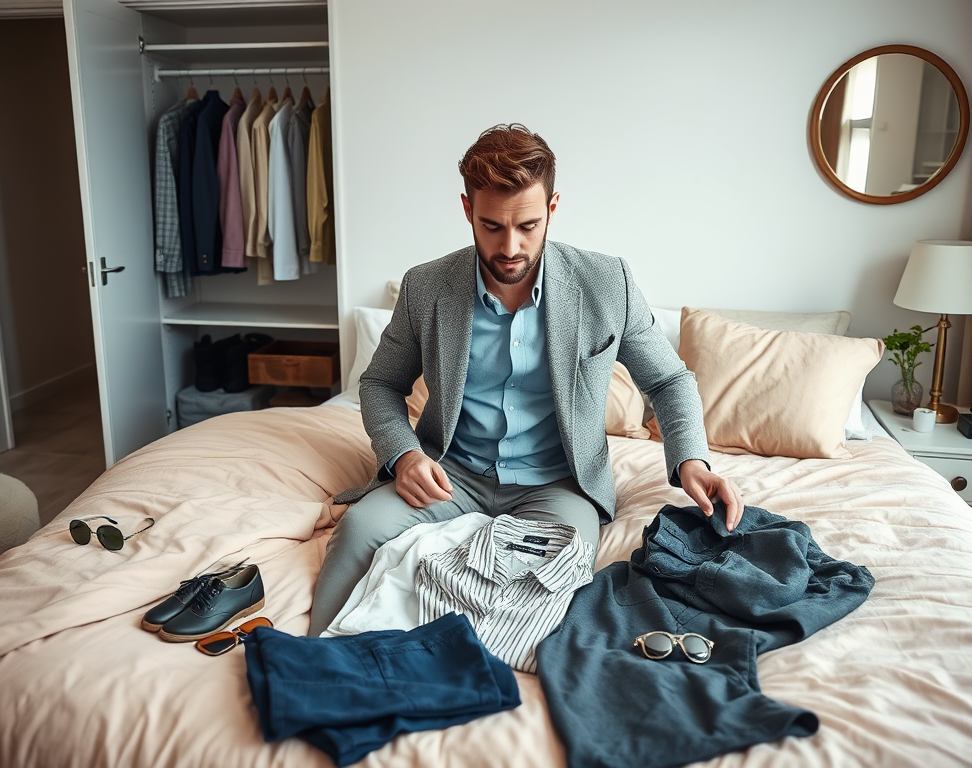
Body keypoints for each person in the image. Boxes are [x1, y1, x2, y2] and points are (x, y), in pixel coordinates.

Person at [307, 123, 743, 636]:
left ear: (552, 209)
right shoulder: (425, 286)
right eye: (492, 226)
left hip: (560, 488)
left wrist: (691, 460)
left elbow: (668, 380)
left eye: (528, 226)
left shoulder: (608, 282)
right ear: (467, 209)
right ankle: (310, 659)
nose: (510, 246)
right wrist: (404, 455)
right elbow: (380, 383)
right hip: (452, 476)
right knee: (359, 528)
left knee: (557, 584)